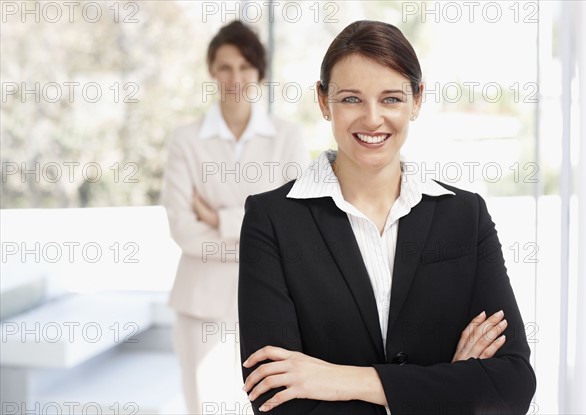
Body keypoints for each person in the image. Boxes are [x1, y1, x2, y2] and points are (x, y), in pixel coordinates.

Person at [238, 20, 536, 414]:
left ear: (417, 100)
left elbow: (512, 385)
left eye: (391, 99)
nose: (373, 119)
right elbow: (275, 399)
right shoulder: (271, 220)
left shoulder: (465, 215)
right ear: (324, 101)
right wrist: (447, 384)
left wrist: (346, 380)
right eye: (351, 99)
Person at [161, 21, 310, 414]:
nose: (235, 78)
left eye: (245, 67)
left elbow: (296, 224)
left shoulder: (287, 137)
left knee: (271, 403)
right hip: (201, 303)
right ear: (212, 71)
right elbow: (182, 229)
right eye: (225, 67)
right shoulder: (186, 140)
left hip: (274, 299)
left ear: (259, 72)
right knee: (205, 404)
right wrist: (261, 244)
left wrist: (220, 219)